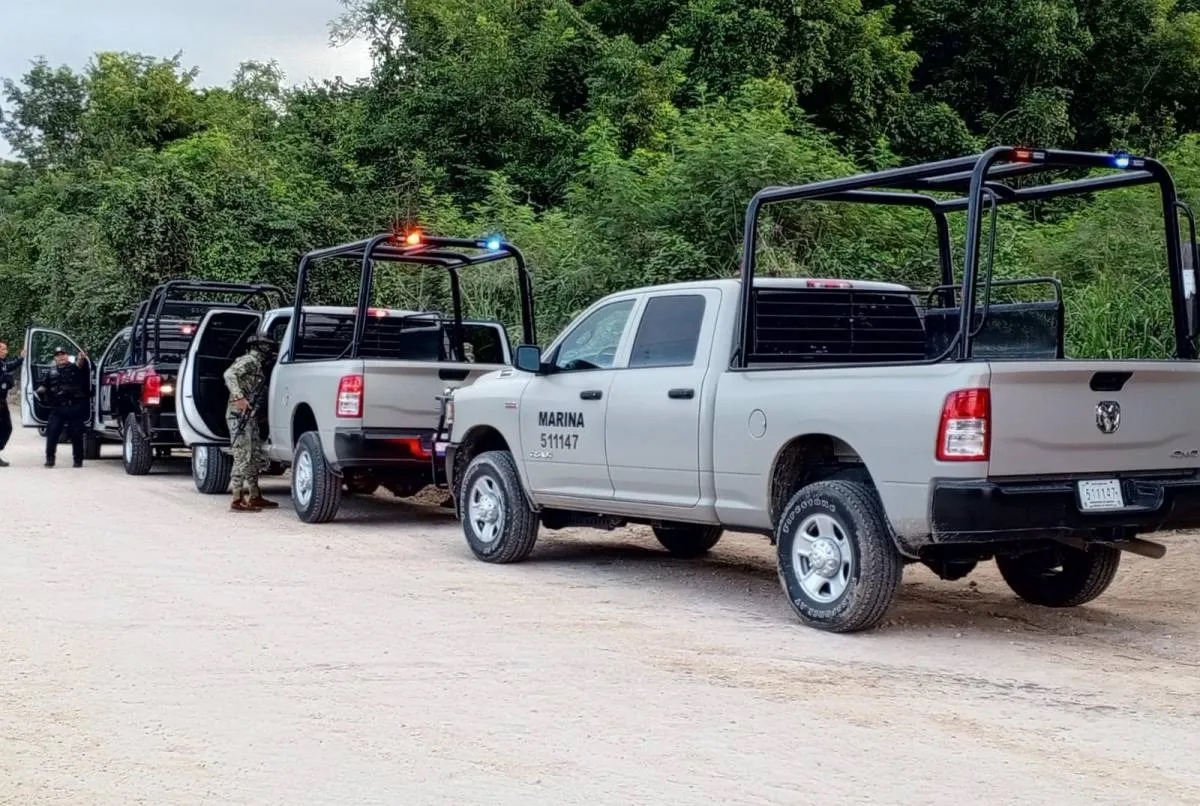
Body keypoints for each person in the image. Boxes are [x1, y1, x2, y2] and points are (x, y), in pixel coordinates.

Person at [223, 332, 279, 512]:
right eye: (267, 345)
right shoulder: (250, 360)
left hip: (249, 416)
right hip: (239, 415)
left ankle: (255, 495)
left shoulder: (260, 365)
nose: (269, 349)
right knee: (243, 454)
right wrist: (239, 397)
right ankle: (237, 498)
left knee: (253, 455)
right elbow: (229, 374)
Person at [35, 346, 90, 468]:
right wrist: (39, 392)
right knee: (52, 433)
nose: (61, 356)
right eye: (58, 355)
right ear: (55, 358)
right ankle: (50, 459)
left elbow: (82, 365)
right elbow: (44, 385)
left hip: (74, 407)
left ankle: (78, 460)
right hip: (57, 408)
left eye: (63, 354)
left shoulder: (75, 368)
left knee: (76, 434)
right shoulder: (51, 372)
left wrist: (82, 358)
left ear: (67, 355)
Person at [0, 341, 25, 467]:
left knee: (7, 427)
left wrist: (21, 358)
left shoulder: (2, 363)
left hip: (2, 402)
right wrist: (6, 380)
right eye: (3, 349)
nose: (6, 351)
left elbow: (9, 366)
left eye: (6, 349)